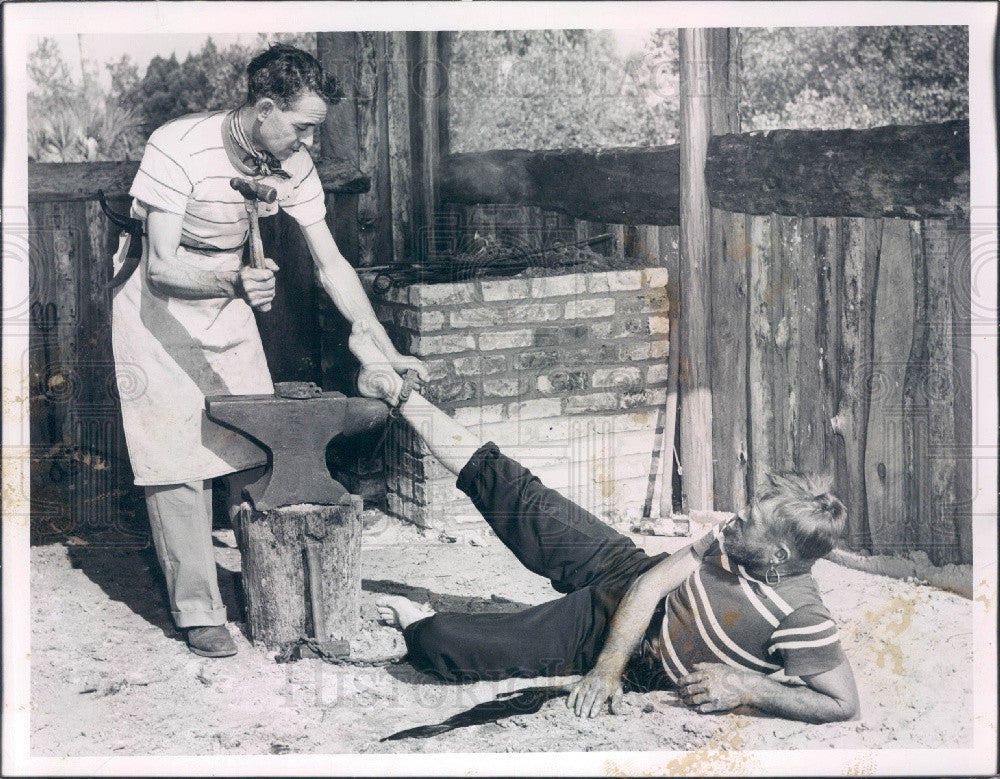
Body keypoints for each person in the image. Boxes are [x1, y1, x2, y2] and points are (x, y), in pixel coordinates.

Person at [349, 324, 860, 724]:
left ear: (778, 556)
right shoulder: (739, 535)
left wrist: (751, 688)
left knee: (447, 644)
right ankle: (401, 395)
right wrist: (605, 672)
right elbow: (654, 580)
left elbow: (842, 704)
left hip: (638, 643)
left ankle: (415, 619)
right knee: (519, 496)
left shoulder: (801, 617)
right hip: (633, 573)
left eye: (748, 522)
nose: (733, 521)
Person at [112, 45, 426, 658]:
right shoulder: (177, 146)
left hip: (229, 289)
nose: (309, 143)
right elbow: (161, 269)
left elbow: (332, 263)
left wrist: (383, 352)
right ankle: (196, 608)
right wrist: (233, 281)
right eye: (302, 127)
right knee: (175, 455)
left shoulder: (291, 163)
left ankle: (264, 583)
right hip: (156, 304)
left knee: (260, 440)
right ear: (263, 109)